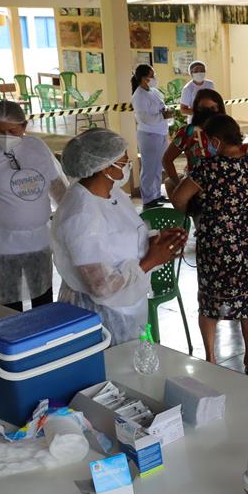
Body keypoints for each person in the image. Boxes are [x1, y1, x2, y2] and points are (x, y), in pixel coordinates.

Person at [53, 129, 187, 345]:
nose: (127, 160)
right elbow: (100, 286)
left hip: (127, 308)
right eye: (122, 156)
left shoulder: (112, 193)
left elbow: (122, 236)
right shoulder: (81, 214)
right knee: (113, 371)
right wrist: (151, 260)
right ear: (104, 166)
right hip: (100, 316)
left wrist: (158, 242)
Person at [170, 114, 248, 374]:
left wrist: (198, 207)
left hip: (216, 243)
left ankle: (211, 359)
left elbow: (179, 199)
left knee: (211, 300)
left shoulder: (206, 169)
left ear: (214, 140)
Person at [0, 100, 68, 311]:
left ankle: (44, 339)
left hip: (38, 240)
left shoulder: (37, 148)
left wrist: (68, 219)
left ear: (24, 126)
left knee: (43, 297)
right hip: (0, 244)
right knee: (8, 302)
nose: (6, 137)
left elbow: (57, 187)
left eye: (12, 130)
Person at [131, 64, 173, 209]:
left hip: (161, 132)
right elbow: (145, 118)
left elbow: (161, 107)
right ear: (144, 78)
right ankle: (148, 199)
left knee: (157, 166)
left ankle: (156, 194)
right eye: (152, 75)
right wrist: (163, 115)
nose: (154, 78)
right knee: (149, 168)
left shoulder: (153, 91)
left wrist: (166, 112)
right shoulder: (139, 95)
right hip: (149, 134)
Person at [163, 89, 226, 184]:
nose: (208, 112)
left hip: (220, 181)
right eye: (204, 109)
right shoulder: (187, 132)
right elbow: (166, 160)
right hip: (199, 185)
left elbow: (166, 160)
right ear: (196, 110)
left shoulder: (227, 129)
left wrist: (178, 185)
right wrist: (178, 184)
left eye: (213, 108)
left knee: (169, 184)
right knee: (169, 183)